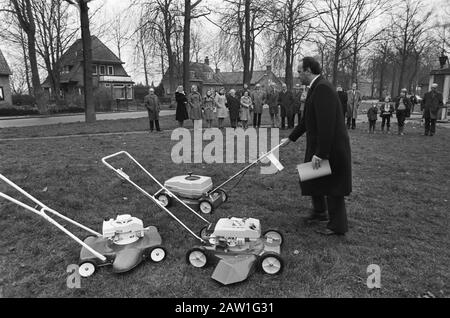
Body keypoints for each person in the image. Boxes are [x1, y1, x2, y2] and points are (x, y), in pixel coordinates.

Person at [282, 57, 352, 236]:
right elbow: (307, 120)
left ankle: (337, 226)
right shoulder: (316, 87)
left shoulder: (322, 89)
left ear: (308, 70)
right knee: (309, 177)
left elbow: (327, 124)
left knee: (333, 187)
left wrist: (321, 154)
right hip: (321, 147)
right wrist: (290, 138)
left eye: (299, 72)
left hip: (331, 149)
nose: (298, 76)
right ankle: (320, 212)